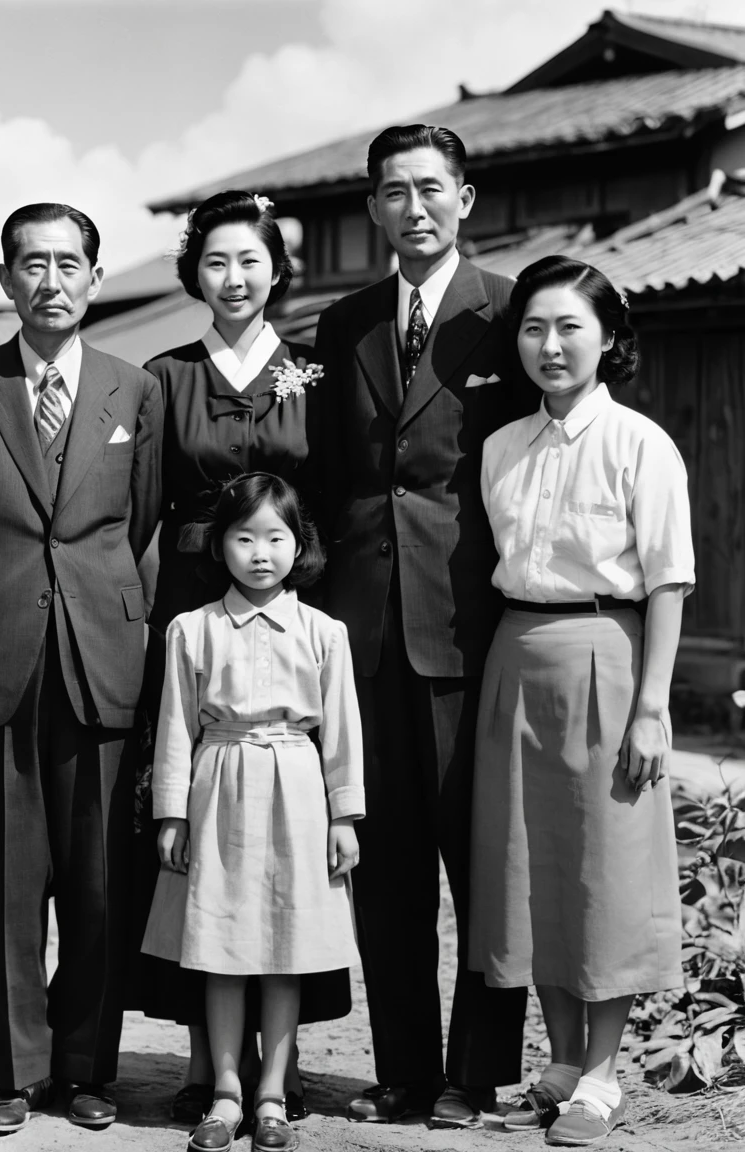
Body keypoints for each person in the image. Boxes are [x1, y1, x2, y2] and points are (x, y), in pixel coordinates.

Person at [0, 203, 163, 1134]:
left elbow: (138, 525)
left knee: (100, 881)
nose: (50, 279)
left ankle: (89, 1068)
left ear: (96, 276)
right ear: (6, 279)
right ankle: (15, 1072)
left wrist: (92, 598)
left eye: (68, 262)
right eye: (31, 263)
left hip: (101, 656)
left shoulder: (134, 390)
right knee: (8, 883)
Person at [313, 124, 531, 1128]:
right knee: (384, 864)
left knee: (481, 862)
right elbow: (326, 481)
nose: (412, 207)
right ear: (370, 209)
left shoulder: (512, 312)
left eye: (429, 188)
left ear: (465, 198)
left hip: (472, 624)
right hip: (362, 631)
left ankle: (474, 1073)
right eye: (392, 191)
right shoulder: (344, 322)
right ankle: (400, 1068)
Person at [131, 189, 346, 1124]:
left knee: (288, 837)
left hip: (295, 596)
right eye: (215, 262)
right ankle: (202, 1056)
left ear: (275, 270)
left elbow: (329, 491)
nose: (234, 278)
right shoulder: (163, 375)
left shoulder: (313, 373)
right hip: (191, 600)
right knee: (197, 822)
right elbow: (136, 508)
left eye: (251, 261)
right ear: (194, 274)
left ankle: (281, 1063)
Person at [469, 255, 695, 1146]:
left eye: (570, 327)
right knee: (531, 867)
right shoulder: (499, 447)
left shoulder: (641, 443)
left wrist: (652, 705)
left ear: (609, 339)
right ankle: (559, 1061)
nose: (551, 345)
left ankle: (602, 1076)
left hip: (608, 649)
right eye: (534, 327)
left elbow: (670, 582)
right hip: (515, 655)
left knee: (606, 864)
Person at [141, 472, 364, 1152]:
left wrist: (344, 816)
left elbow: (343, 732)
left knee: (284, 948)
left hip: (297, 790)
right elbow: (175, 725)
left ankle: (273, 1090)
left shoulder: (325, 633)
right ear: (220, 546)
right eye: (244, 538)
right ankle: (226, 1092)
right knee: (222, 946)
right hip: (219, 788)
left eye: (276, 538)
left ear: (301, 547)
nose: (260, 553)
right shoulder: (191, 629)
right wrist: (171, 814)